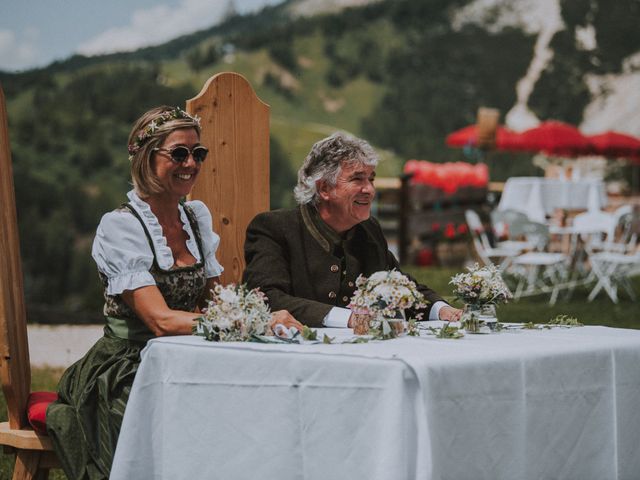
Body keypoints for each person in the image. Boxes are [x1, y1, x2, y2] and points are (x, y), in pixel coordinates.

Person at [45, 105, 301, 480]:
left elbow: (220, 303)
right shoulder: (122, 227)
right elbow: (160, 321)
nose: (191, 163)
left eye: (198, 153)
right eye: (179, 153)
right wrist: (246, 324)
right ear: (147, 157)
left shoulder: (196, 218)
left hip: (184, 356)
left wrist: (256, 319)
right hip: (126, 367)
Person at [243, 132, 462, 329]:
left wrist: (441, 310)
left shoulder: (368, 230)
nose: (369, 189)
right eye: (357, 179)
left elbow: (399, 286)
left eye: (371, 179)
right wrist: (348, 318)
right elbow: (265, 297)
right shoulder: (274, 228)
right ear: (324, 188)